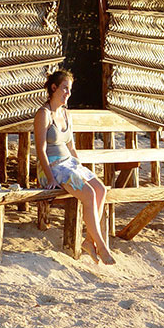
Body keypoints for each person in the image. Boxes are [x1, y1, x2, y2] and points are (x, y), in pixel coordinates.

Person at [34, 69, 115, 265]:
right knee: (88, 193)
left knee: (99, 189)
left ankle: (88, 241)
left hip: (68, 164)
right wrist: (51, 178)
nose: (68, 93)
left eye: (69, 90)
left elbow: (71, 147)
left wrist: (81, 169)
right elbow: (40, 150)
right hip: (52, 167)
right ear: (54, 88)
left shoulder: (66, 114)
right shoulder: (44, 114)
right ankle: (101, 245)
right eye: (64, 89)